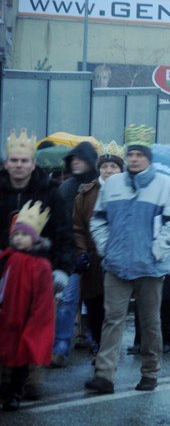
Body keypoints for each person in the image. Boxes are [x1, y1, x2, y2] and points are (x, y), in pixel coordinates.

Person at [85, 125, 170, 394]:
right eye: (130, 154)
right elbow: (97, 221)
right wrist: (106, 248)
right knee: (113, 320)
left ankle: (150, 372)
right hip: (116, 266)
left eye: (139, 154)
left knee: (150, 321)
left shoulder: (164, 185)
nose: (133, 159)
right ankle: (104, 375)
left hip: (150, 268)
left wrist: (156, 250)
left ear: (148, 157)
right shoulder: (113, 185)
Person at [0, 128, 73, 399]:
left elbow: (64, 234)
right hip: (4, 270)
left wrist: (62, 270)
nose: (19, 165)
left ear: (33, 163)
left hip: (38, 274)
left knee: (30, 329)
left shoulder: (50, 192)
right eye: (14, 160)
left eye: (24, 161)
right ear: (7, 162)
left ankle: (26, 381)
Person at [71, 142, 124, 360]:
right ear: (99, 168)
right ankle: (98, 343)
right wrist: (81, 252)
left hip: (120, 260)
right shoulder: (85, 194)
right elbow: (77, 228)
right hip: (94, 260)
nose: (109, 170)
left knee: (114, 309)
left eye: (113, 166)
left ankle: (108, 351)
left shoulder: (130, 191)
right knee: (94, 306)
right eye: (105, 166)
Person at [0, 201, 55, 411]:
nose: (19, 238)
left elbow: (43, 298)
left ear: (34, 237)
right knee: (6, 354)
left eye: (24, 235)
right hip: (7, 316)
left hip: (25, 319)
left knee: (21, 359)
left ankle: (15, 392)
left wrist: (36, 323)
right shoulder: (9, 257)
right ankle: (6, 388)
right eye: (16, 235)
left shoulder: (41, 265)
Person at [52, 141, 100, 367]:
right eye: (73, 159)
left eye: (80, 159)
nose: (76, 163)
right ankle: (60, 347)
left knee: (96, 301)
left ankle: (95, 341)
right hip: (72, 255)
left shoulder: (102, 187)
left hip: (97, 254)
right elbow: (59, 224)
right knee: (68, 300)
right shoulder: (66, 188)